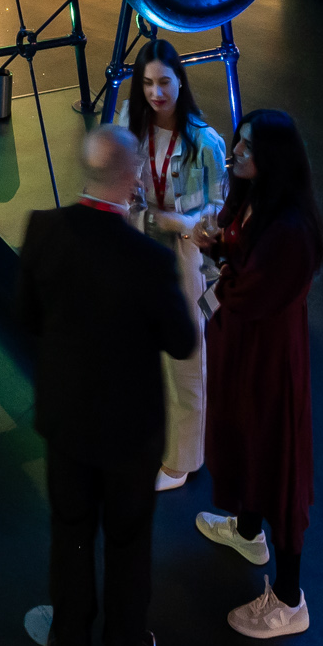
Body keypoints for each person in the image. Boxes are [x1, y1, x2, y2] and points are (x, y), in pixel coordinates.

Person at [19, 126, 199, 646]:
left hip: (67, 426)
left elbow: (27, 317)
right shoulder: (149, 260)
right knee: (128, 546)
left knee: (71, 539)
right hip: (130, 435)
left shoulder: (43, 230)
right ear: (132, 177)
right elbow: (182, 342)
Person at [197, 110, 323, 641]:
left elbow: (252, 291)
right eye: (239, 142)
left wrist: (220, 268)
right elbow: (239, 254)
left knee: (278, 460)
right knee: (245, 438)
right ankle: (249, 532)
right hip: (245, 348)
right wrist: (218, 246)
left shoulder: (292, 230)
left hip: (271, 361)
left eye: (248, 147)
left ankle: (291, 600)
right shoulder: (254, 198)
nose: (237, 153)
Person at [123, 40, 230, 493]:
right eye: (147, 83)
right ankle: (150, 434)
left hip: (186, 258)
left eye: (164, 82)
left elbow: (218, 214)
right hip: (141, 251)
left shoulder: (205, 143)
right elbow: (121, 199)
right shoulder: (130, 129)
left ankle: (183, 458)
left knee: (186, 357)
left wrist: (179, 224)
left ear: (180, 82)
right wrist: (153, 219)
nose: (156, 92)